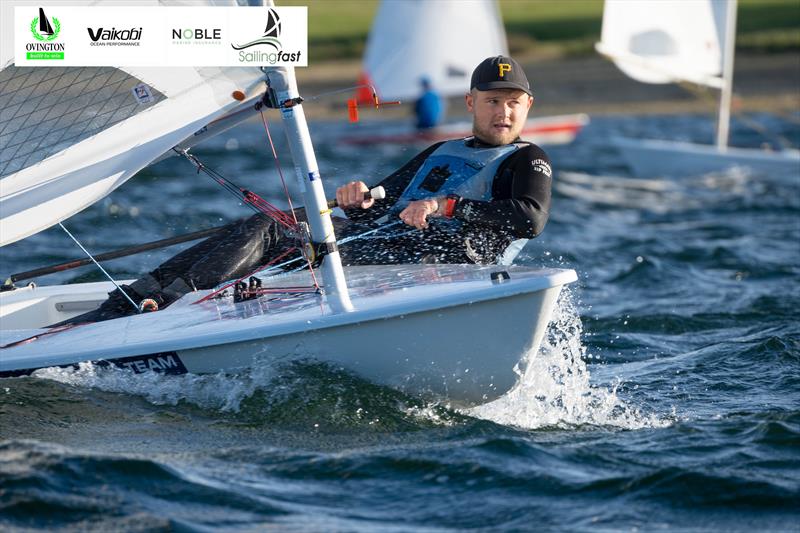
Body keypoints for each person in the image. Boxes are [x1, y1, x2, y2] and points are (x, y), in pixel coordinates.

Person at [63, 55, 553, 323]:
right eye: (492, 101)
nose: (502, 113)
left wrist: (446, 205)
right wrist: (360, 197)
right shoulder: (442, 149)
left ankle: (174, 302)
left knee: (280, 236)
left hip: (436, 262)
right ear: (471, 101)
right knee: (272, 223)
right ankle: (143, 295)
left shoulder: (526, 159)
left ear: (527, 105)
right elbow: (385, 194)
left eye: (513, 103)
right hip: (380, 244)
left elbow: (529, 218)